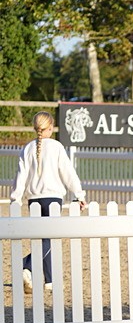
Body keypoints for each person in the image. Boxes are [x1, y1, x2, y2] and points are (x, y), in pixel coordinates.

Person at [10, 112, 86, 291]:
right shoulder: (56, 146)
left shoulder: (27, 148)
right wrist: (79, 194)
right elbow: (68, 173)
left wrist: (16, 198)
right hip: (52, 199)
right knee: (49, 238)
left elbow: (20, 176)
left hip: (34, 200)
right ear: (50, 128)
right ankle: (27, 265)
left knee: (42, 238)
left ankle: (49, 280)